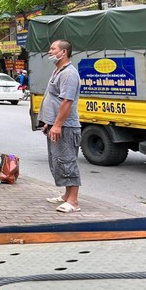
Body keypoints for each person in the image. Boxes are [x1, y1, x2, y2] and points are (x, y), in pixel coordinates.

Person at [37, 39, 82, 213]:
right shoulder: (58, 71)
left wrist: (57, 125)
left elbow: (66, 102)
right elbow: (54, 99)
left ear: (63, 52)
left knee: (67, 161)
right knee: (58, 161)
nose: (49, 51)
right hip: (57, 125)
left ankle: (73, 201)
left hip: (67, 127)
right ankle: (66, 195)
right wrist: (49, 123)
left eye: (53, 49)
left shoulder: (69, 74)